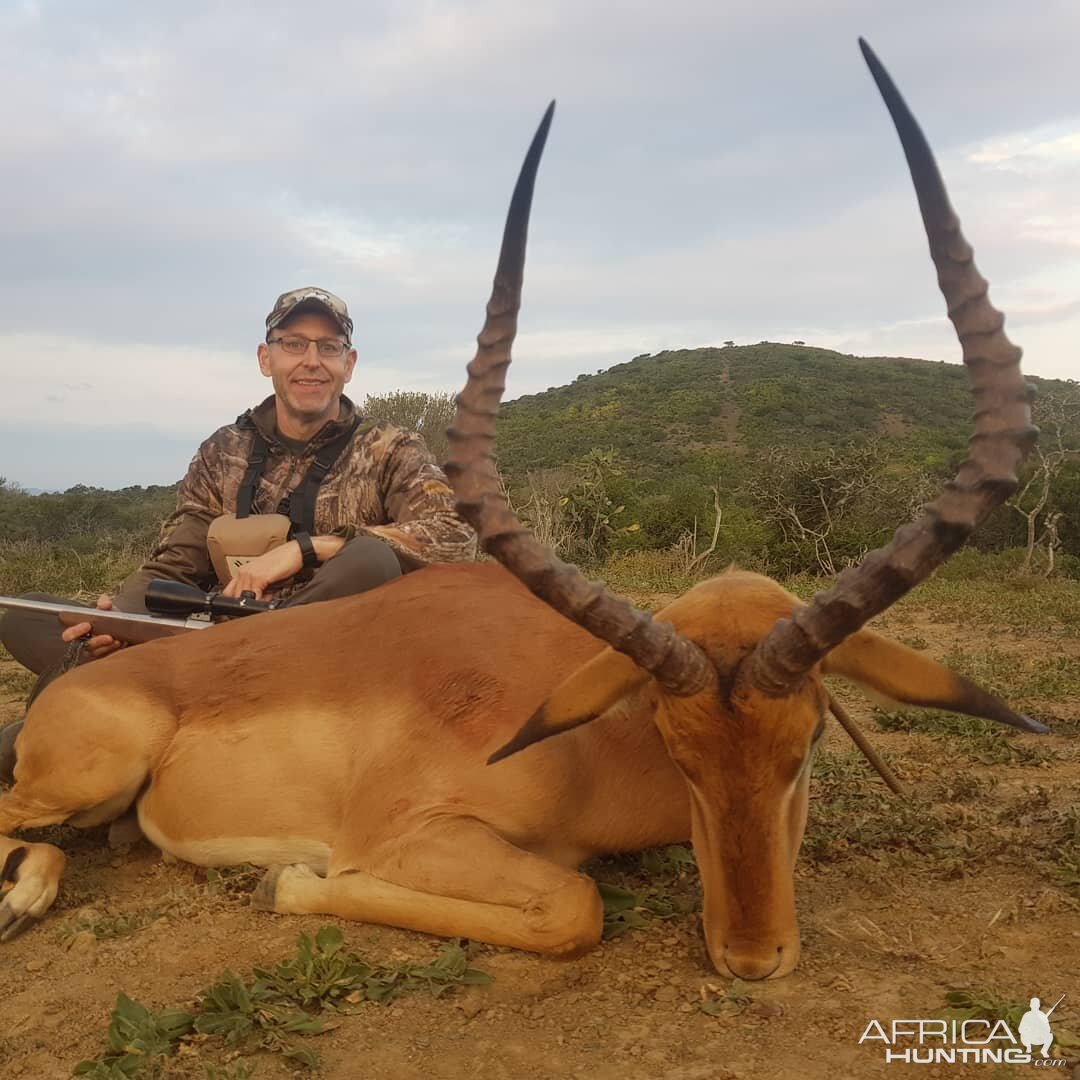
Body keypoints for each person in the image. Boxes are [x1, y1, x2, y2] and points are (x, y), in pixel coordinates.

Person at [0, 286, 476, 779]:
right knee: (27, 616)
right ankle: (180, 693)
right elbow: (174, 561)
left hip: (326, 660)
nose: (311, 360)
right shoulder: (222, 450)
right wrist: (120, 622)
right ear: (265, 358)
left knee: (371, 559)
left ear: (348, 363)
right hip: (205, 644)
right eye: (293, 343)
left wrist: (310, 548)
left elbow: (455, 536)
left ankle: (119, 712)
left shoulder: (389, 448)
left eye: (327, 347)